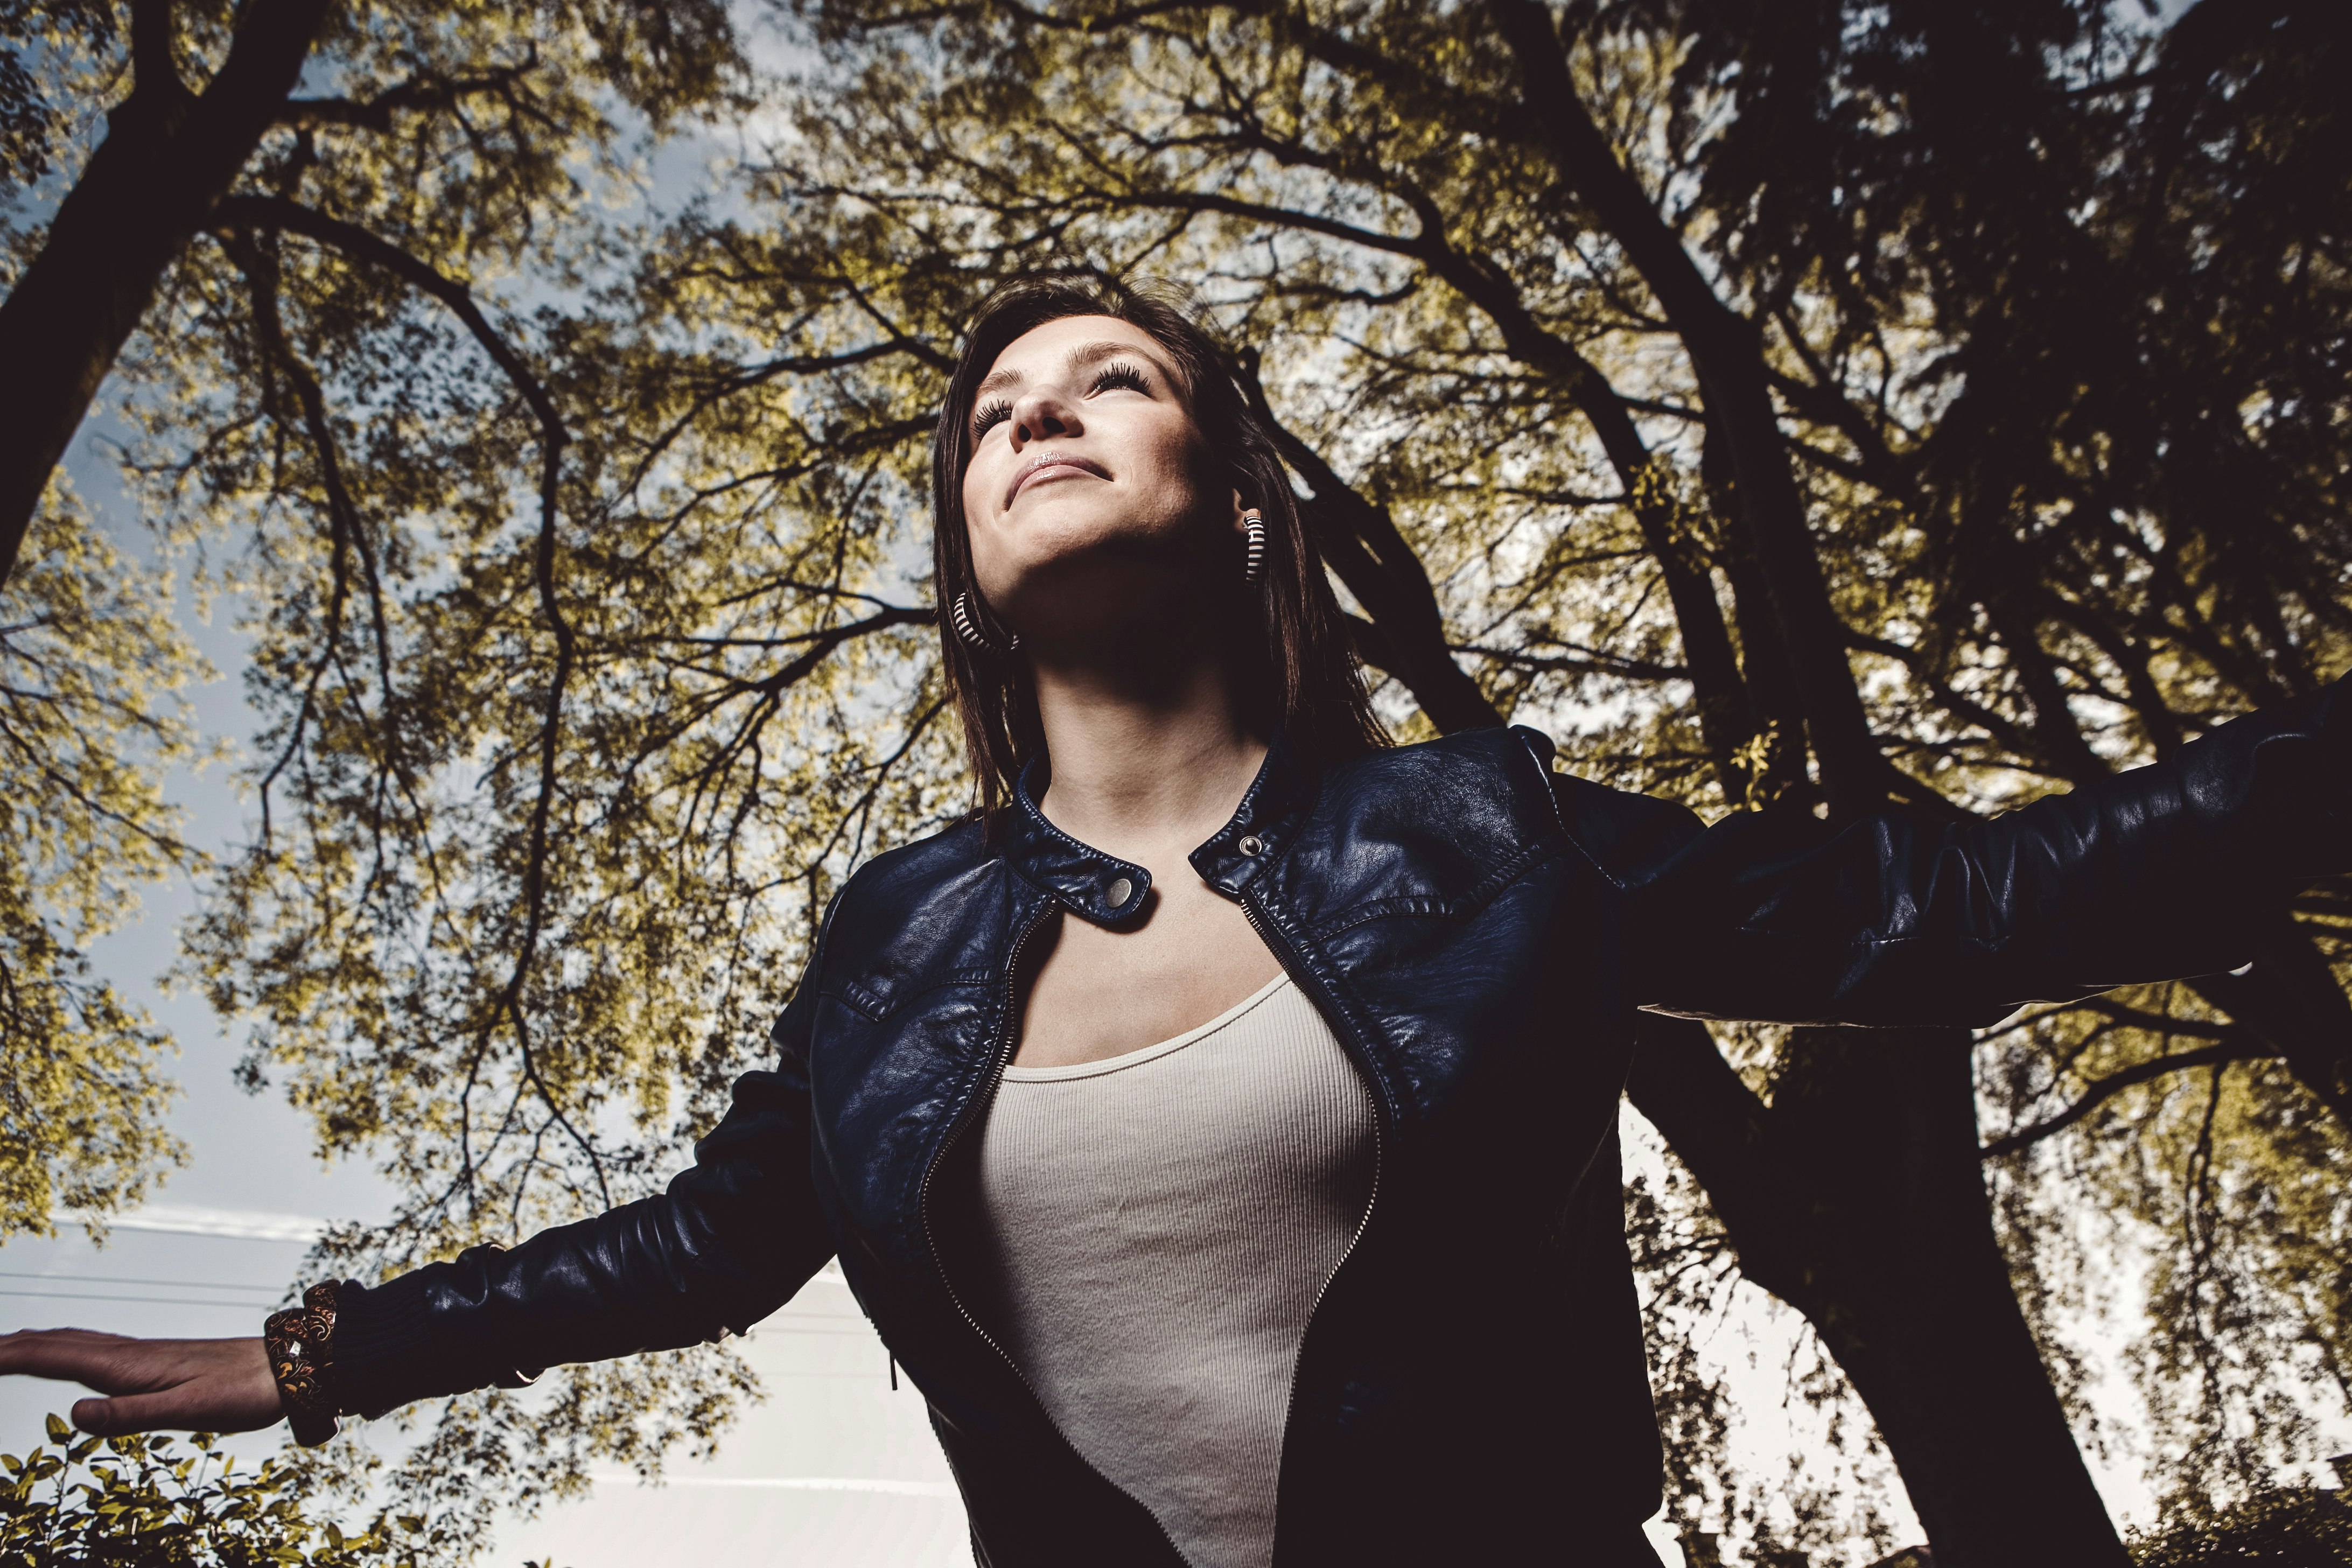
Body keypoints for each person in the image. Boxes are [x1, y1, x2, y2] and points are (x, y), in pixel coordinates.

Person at [4, 277, 2348, 1568]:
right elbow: (709, 1240)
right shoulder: (898, 942)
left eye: (1109, 378)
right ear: (963, 550)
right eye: (994, 406)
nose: (1037, 415)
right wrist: (319, 1357)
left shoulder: (1482, 834)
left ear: (1228, 492)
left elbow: (1948, 900)